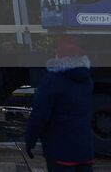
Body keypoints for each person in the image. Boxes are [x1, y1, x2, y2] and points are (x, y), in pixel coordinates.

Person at [24, 37, 93, 172]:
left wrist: (30, 140)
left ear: (59, 58)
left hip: (60, 151)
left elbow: (39, 115)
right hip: (85, 151)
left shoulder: (52, 81)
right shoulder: (87, 81)